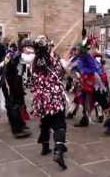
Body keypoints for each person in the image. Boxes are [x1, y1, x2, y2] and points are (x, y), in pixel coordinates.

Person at [31, 35, 67, 170]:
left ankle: (45, 147)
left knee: (45, 122)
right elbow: (63, 73)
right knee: (59, 124)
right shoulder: (56, 61)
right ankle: (58, 151)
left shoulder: (34, 63)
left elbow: (32, 82)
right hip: (55, 98)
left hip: (40, 99)